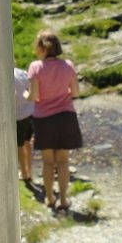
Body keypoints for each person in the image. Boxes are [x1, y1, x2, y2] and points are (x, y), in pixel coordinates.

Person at [27, 30, 82, 215]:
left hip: (44, 119)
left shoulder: (35, 67)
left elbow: (34, 96)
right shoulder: (68, 65)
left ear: (43, 49)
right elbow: (75, 93)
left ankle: (50, 198)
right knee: (64, 161)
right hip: (66, 116)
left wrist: (26, 95)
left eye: (37, 45)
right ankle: (64, 200)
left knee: (48, 162)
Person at [14, 67, 34, 183]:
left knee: (19, 145)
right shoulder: (22, 73)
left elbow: (14, 95)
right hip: (30, 111)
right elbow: (30, 88)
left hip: (19, 115)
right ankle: (29, 171)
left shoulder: (7, 77)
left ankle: (24, 173)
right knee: (27, 142)